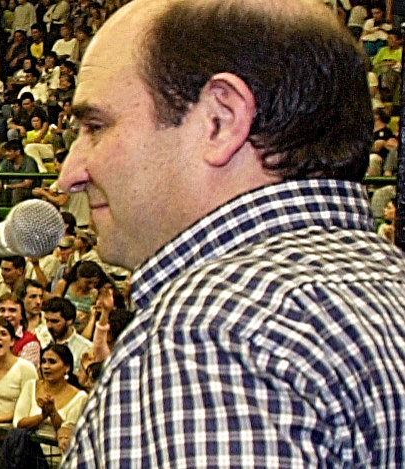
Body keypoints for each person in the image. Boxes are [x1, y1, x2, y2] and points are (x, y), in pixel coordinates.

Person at [58, 2, 405, 467]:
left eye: (95, 127)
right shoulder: (385, 288)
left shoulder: (206, 340)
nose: (70, 174)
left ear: (220, 121)